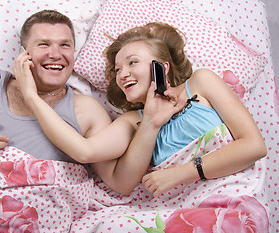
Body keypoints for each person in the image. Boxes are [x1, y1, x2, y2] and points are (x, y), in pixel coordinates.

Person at [15, 22, 267, 197]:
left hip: (230, 189)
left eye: (132, 62)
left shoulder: (202, 82)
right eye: (117, 70)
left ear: (162, 68)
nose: (122, 74)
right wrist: (31, 96)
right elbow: (90, 156)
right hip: (172, 206)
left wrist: (181, 173)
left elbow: (254, 146)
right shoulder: (130, 121)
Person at [0, 10, 127, 167]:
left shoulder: (88, 109)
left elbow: (116, 179)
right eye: (43, 44)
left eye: (65, 45)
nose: (56, 54)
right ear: (24, 54)